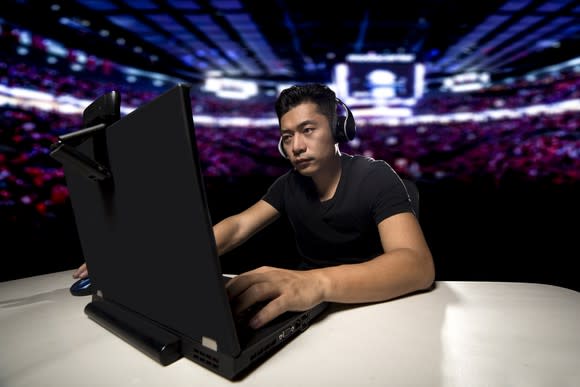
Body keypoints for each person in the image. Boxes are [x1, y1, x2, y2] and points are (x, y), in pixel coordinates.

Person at [73, 83, 435, 329]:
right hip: (306, 308)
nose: (295, 146)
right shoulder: (288, 184)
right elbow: (237, 228)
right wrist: (142, 256)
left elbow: (416, 265)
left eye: (308, 130)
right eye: (287, 136)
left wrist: (317, 282)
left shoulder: (375, 176)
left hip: (375, 308)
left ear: (339, 130)